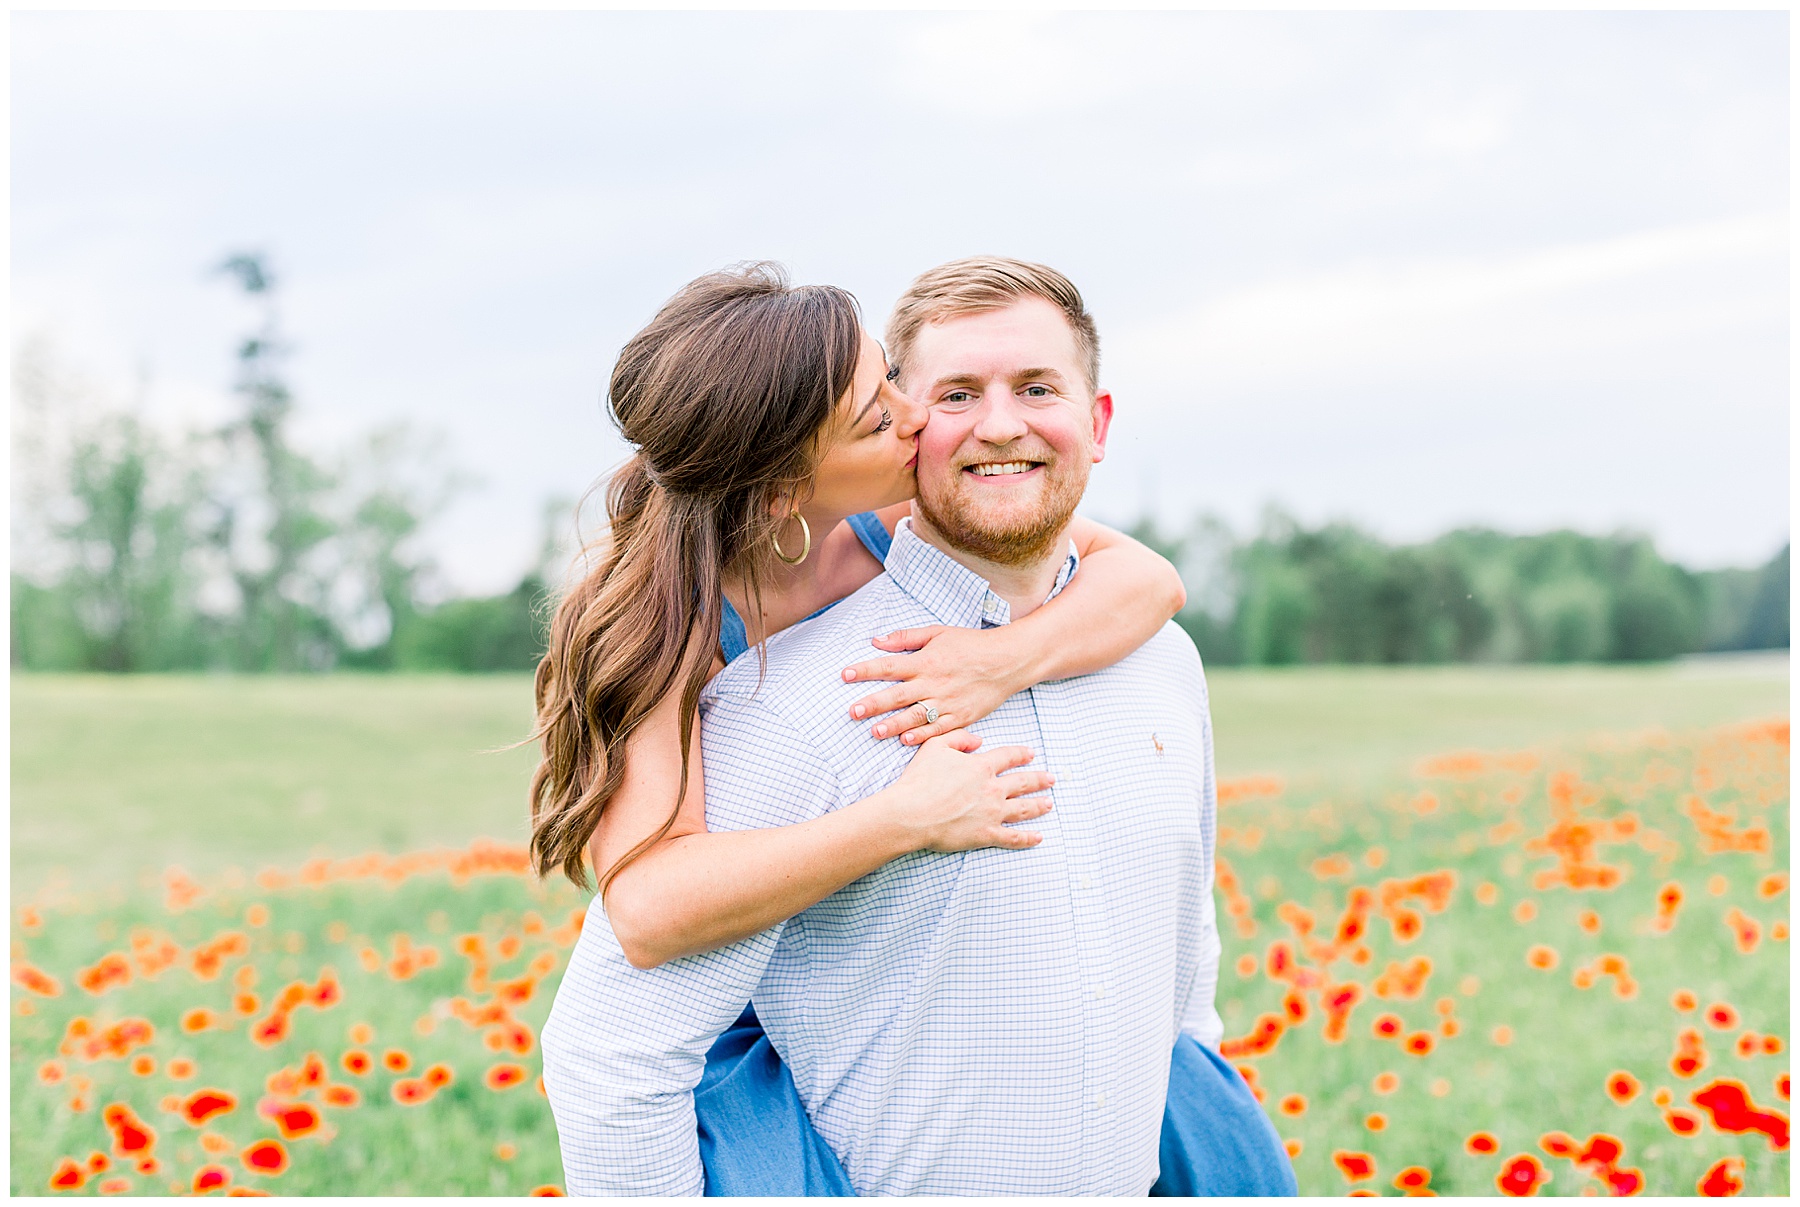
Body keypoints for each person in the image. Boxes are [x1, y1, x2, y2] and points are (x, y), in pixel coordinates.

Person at [540, 258, 1296, 1196]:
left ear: (1098, 425)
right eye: (904, 404)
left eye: (1033, 389)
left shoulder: (1149, 655)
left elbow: (1148, 579)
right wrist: (905, 817)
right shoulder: (695, 648)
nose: (957, 424)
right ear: (785, 486)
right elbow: (646, 922)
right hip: (775, 1032)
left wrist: (1004, 658)